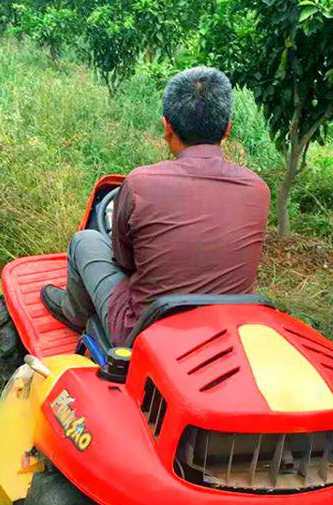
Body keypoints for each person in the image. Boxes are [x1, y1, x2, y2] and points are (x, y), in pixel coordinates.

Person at [40, 65, 271, 346]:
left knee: (84, 241)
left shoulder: (140, 183)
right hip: (228, 328)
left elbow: (123, 261)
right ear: (227, 130)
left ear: (167, 127)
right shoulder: (258, 189)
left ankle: (75, 314)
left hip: (143, 334)